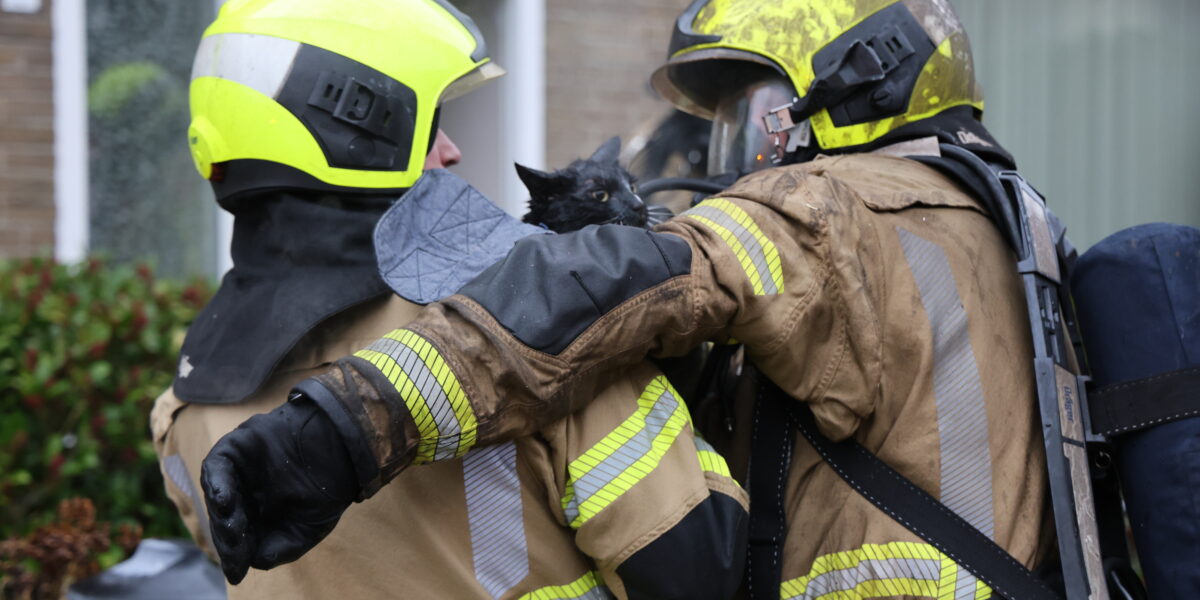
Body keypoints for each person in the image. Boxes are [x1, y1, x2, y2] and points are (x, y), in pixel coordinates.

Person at [202, 0, 1056, 597]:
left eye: (757, 112)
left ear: (862, 84)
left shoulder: (832, 209)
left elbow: (611, 285)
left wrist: (349, 426)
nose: (736, 155)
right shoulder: (985, 213)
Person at [152, 0, 748, 598]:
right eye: (429, 122)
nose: (453, 150)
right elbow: (701, 563)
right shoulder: (536, 337)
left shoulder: (184, 409)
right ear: (359, 124)